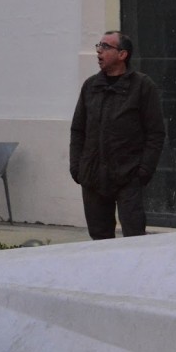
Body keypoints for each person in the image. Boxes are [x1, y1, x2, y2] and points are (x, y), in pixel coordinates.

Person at [70, 30, 165, 239]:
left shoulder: (142, 86)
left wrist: (143, 171)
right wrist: (77, 167)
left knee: (134, 238)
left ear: (123, 55)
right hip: (93, 177)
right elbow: (78, 130)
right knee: (100, 239)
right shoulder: (90, 86)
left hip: (128, 176)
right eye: (98, 46)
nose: (99, 51)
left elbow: (155, 133)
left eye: (105, 47)